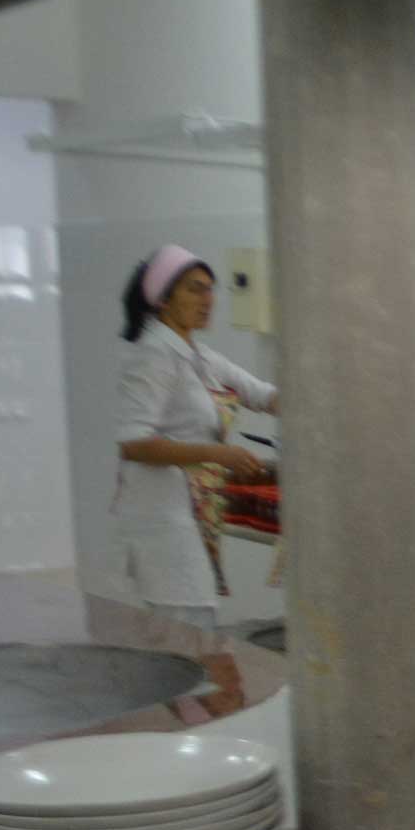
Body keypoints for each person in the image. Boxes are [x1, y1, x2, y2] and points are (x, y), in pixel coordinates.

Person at [111, 245, 279, 630]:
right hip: (161, 515)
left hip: (193, 511)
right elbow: (133, 443)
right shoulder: (153, 355)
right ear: (162, 298)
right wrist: (219, 454)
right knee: (184, 629)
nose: (208, 300)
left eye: (210, 290)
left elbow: (262, 395)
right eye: (194, 289)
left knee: (194, 622)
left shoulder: (198, 356)